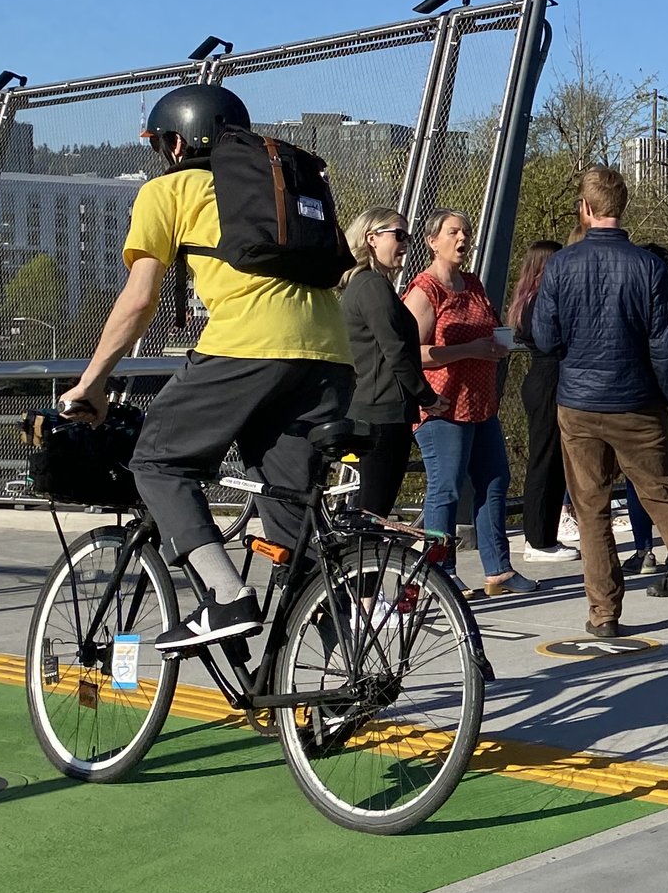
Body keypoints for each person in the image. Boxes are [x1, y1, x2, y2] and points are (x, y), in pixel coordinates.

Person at [61, 84, 352, 651]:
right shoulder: (278, 184)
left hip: (250, 342)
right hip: (331, 353)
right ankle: (329, 676)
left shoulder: (169, 190)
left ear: (175, 143)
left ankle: (225, 597)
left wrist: (92, 383)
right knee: (288, 508)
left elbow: (139, 300)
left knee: (159, 459)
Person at [529, 164, 668, 638]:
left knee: (592, 509)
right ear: (621, 207)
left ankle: (604, 613)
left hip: (580, 403)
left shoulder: (561, 266)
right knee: (666, 497)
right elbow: (663, 346)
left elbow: (544, 337)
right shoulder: (648, 266)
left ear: (584, 209)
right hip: (637, 400)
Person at [406, 210, 524, 598]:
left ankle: (499, 571)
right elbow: (412, 352)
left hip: (481, 405)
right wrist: (468, 350)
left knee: (494, 481)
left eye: (466, 232)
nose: (462, 238)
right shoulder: (425, 290)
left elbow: (487, 325)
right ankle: (440, 572)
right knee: (446, 488)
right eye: (453, 232)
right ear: (432, 240)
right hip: (442, 405)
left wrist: (497, 345)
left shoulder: (472, 284)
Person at [338, 208, 433, 519]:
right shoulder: (372, 287)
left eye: (408, 236)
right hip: (383, 412)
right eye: (398, 235)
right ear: (371, 239)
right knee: (373, 510)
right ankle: (356, 566)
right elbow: (395, 351)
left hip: (379, 408)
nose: (406, 243)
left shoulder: (369, 285)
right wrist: (428, 396)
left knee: (372, 507)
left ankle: (358, 565)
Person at [509, 239, 579, 566]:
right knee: (544, 458)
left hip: (545, 379)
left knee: (553, 460)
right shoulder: (540, 302)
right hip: (548, 379)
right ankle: (536, 538)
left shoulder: (529, 300)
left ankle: (547, 534)